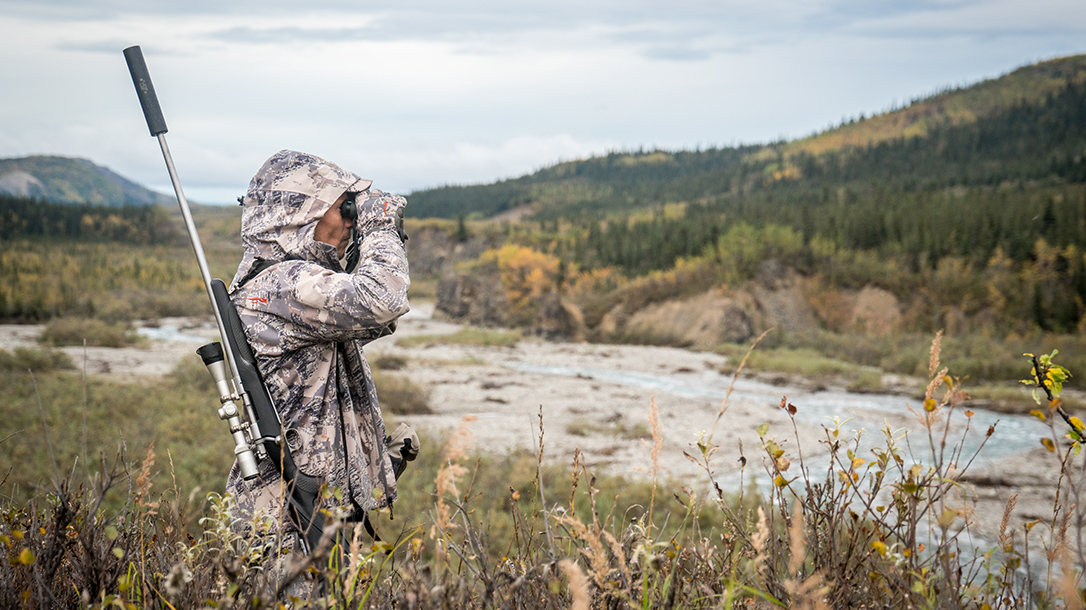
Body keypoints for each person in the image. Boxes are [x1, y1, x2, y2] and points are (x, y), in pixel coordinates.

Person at [224, 149, 416, 597]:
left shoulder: (283, 279)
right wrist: (381, 227)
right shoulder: (282, 283)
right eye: (343, 207)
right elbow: (382, 298)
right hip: (287, 521)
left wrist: (367, 237)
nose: (351, 220)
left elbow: (369, 316)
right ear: (301, 213)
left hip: (306, 511)